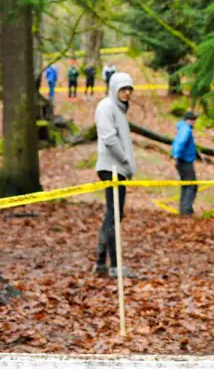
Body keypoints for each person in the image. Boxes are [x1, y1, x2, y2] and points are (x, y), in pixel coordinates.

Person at [94, 72, 137, 278]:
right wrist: (126, 162)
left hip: (118, 169)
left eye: (130, 89)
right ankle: (114, 266)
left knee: (113, 215)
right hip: (111, 167)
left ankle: (101, 262)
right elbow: (109, 138)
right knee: (113, 216)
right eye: (123, 89)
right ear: (114, 89)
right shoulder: (106, 106)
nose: (127, 93)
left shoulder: (120, 110)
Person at [172, 111, 199, 216]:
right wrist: (176, 156)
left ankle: (184, 208)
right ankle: (186, 209)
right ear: (188, 120)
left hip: (183, 160)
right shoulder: (186, 130)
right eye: (193, 120)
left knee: (186, 185)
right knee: (191, 185)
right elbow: (181, 142)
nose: (194, 122)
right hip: (184, 161)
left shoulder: (183, 128)